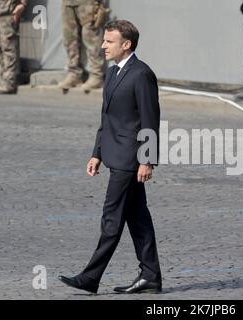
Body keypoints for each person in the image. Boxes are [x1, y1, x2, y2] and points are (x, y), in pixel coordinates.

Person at [59, 20, 162, 295]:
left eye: (109, 41)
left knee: (111, 218)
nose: (103, 45)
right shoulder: (113, 72)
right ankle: (150, 276)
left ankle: (91, 277)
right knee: (138, 218)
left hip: (130, 160)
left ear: (126, 44)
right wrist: (97, 153)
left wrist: (146, 160)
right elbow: (106, 118)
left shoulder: (142, 74)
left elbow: (151, 120)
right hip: (114, 154)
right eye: (104, 40)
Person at [58, 0, 107, 91]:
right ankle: (74, 74)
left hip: (88, 2)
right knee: (69, 38)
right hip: (68, 3)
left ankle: (96, 75)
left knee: (90, 37)